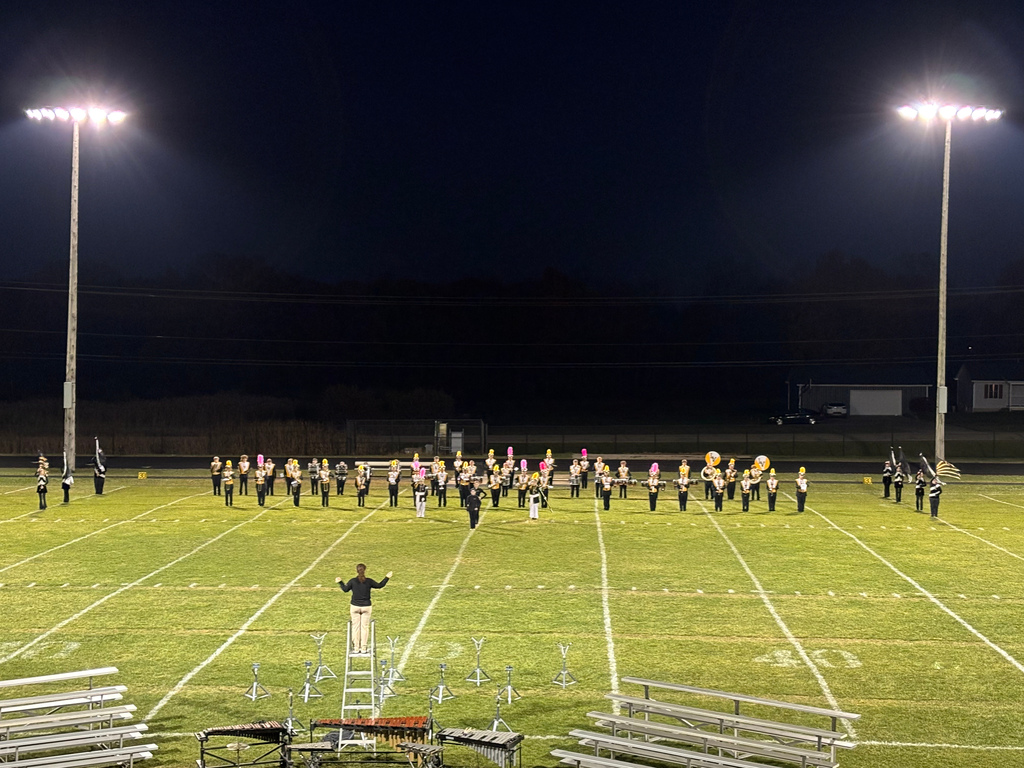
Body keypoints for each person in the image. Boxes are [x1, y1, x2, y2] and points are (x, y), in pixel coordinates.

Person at [335, 565, 391, 655]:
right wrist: (387, 577)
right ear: (365, 570)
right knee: (364, 627)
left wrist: (340, 582)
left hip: (355, 606)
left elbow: (345, 589)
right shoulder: (368, 581)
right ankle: (364, 647)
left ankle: (356, 648)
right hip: (366, 606)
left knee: (355, 627)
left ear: (357, 571)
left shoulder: (353, 581)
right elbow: (379, 585)